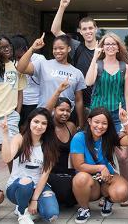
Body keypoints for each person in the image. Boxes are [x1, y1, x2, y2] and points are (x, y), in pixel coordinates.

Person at [85, 32, 128, 206]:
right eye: (107, 44)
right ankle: (106, 191)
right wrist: (94, 57)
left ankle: (124, 188)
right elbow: (89, 82)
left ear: (118, 46)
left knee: (123, 155)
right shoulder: (97, 65)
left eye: (114, 44)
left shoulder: (124, 67)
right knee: (102, 154)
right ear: (102, 46)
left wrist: (127, 116)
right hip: (98, 115)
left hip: (117, 114)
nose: (111, 47)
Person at [70, 107, 128, 223]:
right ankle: (84, 209)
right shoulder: (79, 137)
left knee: (123, 192)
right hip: (89, 180)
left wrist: (125, 122)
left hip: (107, 178)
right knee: (80, 178)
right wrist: (101, 167)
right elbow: (78, 165)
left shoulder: (109, 137)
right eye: (96, 122)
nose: (100, 126)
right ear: (89, 121)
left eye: (104, 123)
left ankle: (108, 200)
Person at [1, 108, 60, 224]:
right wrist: (4, 135)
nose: (39, 126)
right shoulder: (20, 138)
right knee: (26, 181)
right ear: (29, 122)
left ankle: (28, 209)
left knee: (52, 214)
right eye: (36, 121)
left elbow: (44, 175)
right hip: (17, 187)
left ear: (48, 126)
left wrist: (35, 199)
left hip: (38, 187)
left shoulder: (50, 145)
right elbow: (7, 158)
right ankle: (23, 213)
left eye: (44, 123)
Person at [17, 33, 86, 129]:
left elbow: (79, 100)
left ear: (69, 49)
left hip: (65, 118)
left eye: (61, 48)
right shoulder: (43, 64)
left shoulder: (77, 73)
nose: (58, 51)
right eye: (55, 48)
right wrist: (32, 49)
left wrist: (81, 124)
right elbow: (20, 68)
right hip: (44, 116)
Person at [51, 0, 98, 108]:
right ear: (80, 31)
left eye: (91, 28)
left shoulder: (104, 48)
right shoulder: (76, 47)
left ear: (96, 29)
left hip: (100, 100)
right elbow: (55, 31)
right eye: (85, 29)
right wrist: (62, 7)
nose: (88, 31)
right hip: (80, 102)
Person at [45, 80, 78, 208]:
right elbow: (45, 112)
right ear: (54, 110)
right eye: (61, 110)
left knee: (72, 197)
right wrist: (58, 91)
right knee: (64, 192)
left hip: (67, 171)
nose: (65, 113)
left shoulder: (71, 126)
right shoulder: (47, 126)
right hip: (49, 172)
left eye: (68, 111)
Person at [11, 35, 47, 128]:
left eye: (20, 56)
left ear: (27, 49)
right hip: (16, 103)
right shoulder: (10, 61)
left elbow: (22, 69)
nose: (18, 60)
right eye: (16, 57)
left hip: (34, 102)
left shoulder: (39, 59)